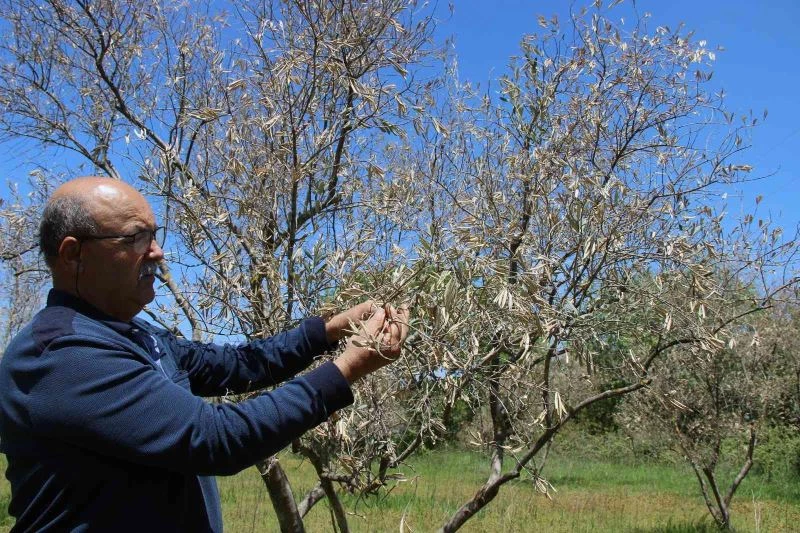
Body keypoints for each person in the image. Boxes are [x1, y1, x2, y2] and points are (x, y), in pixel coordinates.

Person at [0, 176, 408, 532]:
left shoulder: (134, 336)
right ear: (74, 254)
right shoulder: (60, 355)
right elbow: (215, 437)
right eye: (136, 238)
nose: (157, 252)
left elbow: (238, 365)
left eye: (156, 235)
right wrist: (348, 367)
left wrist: (327, 331)